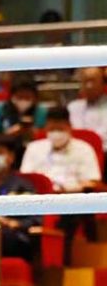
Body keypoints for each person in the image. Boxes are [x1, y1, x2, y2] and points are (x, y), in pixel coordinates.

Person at [20, 107, 101, 264]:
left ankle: (65, 264)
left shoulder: (84, 149)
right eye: (52, 129)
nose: (56, 133)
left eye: (60, 129)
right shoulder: (34, 148)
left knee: (75, 211)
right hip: (38, 199)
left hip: (70, 199)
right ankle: (32, 264)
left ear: (69, 127)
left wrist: (69, 189)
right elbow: (26, 178)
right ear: (45, 128)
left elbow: (92, 181)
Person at [68, 67, 107, 178]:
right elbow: (71, 133)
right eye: (85, 81)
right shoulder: (73, 107)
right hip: (76, 155)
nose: (89, 86)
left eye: (93, 81)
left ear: (103, 83)